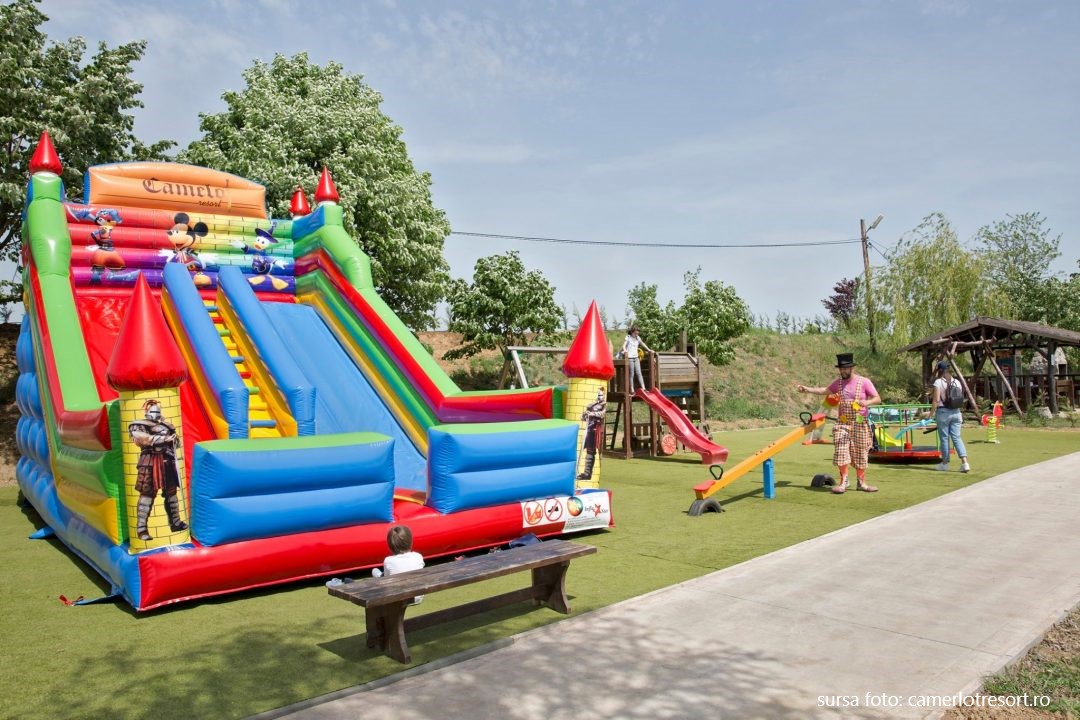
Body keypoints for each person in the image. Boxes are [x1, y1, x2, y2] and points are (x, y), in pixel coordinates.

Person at [796, 353, 882, 494]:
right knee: (841, 450)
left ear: (852, 368)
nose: (842, 371)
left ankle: (861, 483)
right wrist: (807, 389)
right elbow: (825, 390)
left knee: (861, 453)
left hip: (860, 423)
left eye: (845, 369)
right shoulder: (838, 383)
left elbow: (877, 398)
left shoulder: (864, 382)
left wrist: (867, 402)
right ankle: (844, 482)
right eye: (840, 369)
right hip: (843, 423)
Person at [128, 399, 187, 541]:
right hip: (149, 461)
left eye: (157, 410)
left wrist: (174, 439)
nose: (155, 413)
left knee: (171, 494)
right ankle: (141, 529)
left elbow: (176, 443)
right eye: (152, 410)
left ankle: (175, 523)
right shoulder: (139, 425)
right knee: (147, 495)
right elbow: (142, 439)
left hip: (167, 461)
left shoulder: (167, 425)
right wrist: (165, 439)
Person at [931, 360, 971, 472]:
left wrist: (930, 414)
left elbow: (936, 400)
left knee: (944, 438)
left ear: (940, 370)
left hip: (943, 413)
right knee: (957, 438)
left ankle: (945, 463)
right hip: (956, 412)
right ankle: (965, 463)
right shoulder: (957, 382)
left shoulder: (938, 382)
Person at [372, 525, 426, 603]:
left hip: (397, 598)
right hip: (418, 597)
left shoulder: (388, 560)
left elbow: (386, 581)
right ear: (410, 541)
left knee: (375, 571)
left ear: (390, 545)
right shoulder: (418, 556)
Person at [576, 389, 606, 480]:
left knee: (601, 452)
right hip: (590, 429)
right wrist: (585, 414)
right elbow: (583, 418)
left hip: (599, 429)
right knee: (590, 451)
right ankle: (587, 474)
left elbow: (603, 414)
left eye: (601, 395)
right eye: (598, 394)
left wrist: (593, 414)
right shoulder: (592, 405)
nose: (599, 396)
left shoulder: (605, 405)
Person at [621, 325, 653, 394]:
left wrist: (649, 350)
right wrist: (625, 350)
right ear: (632, 332)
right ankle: (632, 390)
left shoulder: (638, 338)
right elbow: (624, 346)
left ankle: (644, 388)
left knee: (639, 373)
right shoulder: (628, 338)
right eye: (636, 332)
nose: (637, 333)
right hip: (630, 358)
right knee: (631, 374)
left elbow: (642, 344)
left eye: (638, 332)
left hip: (636, 358)